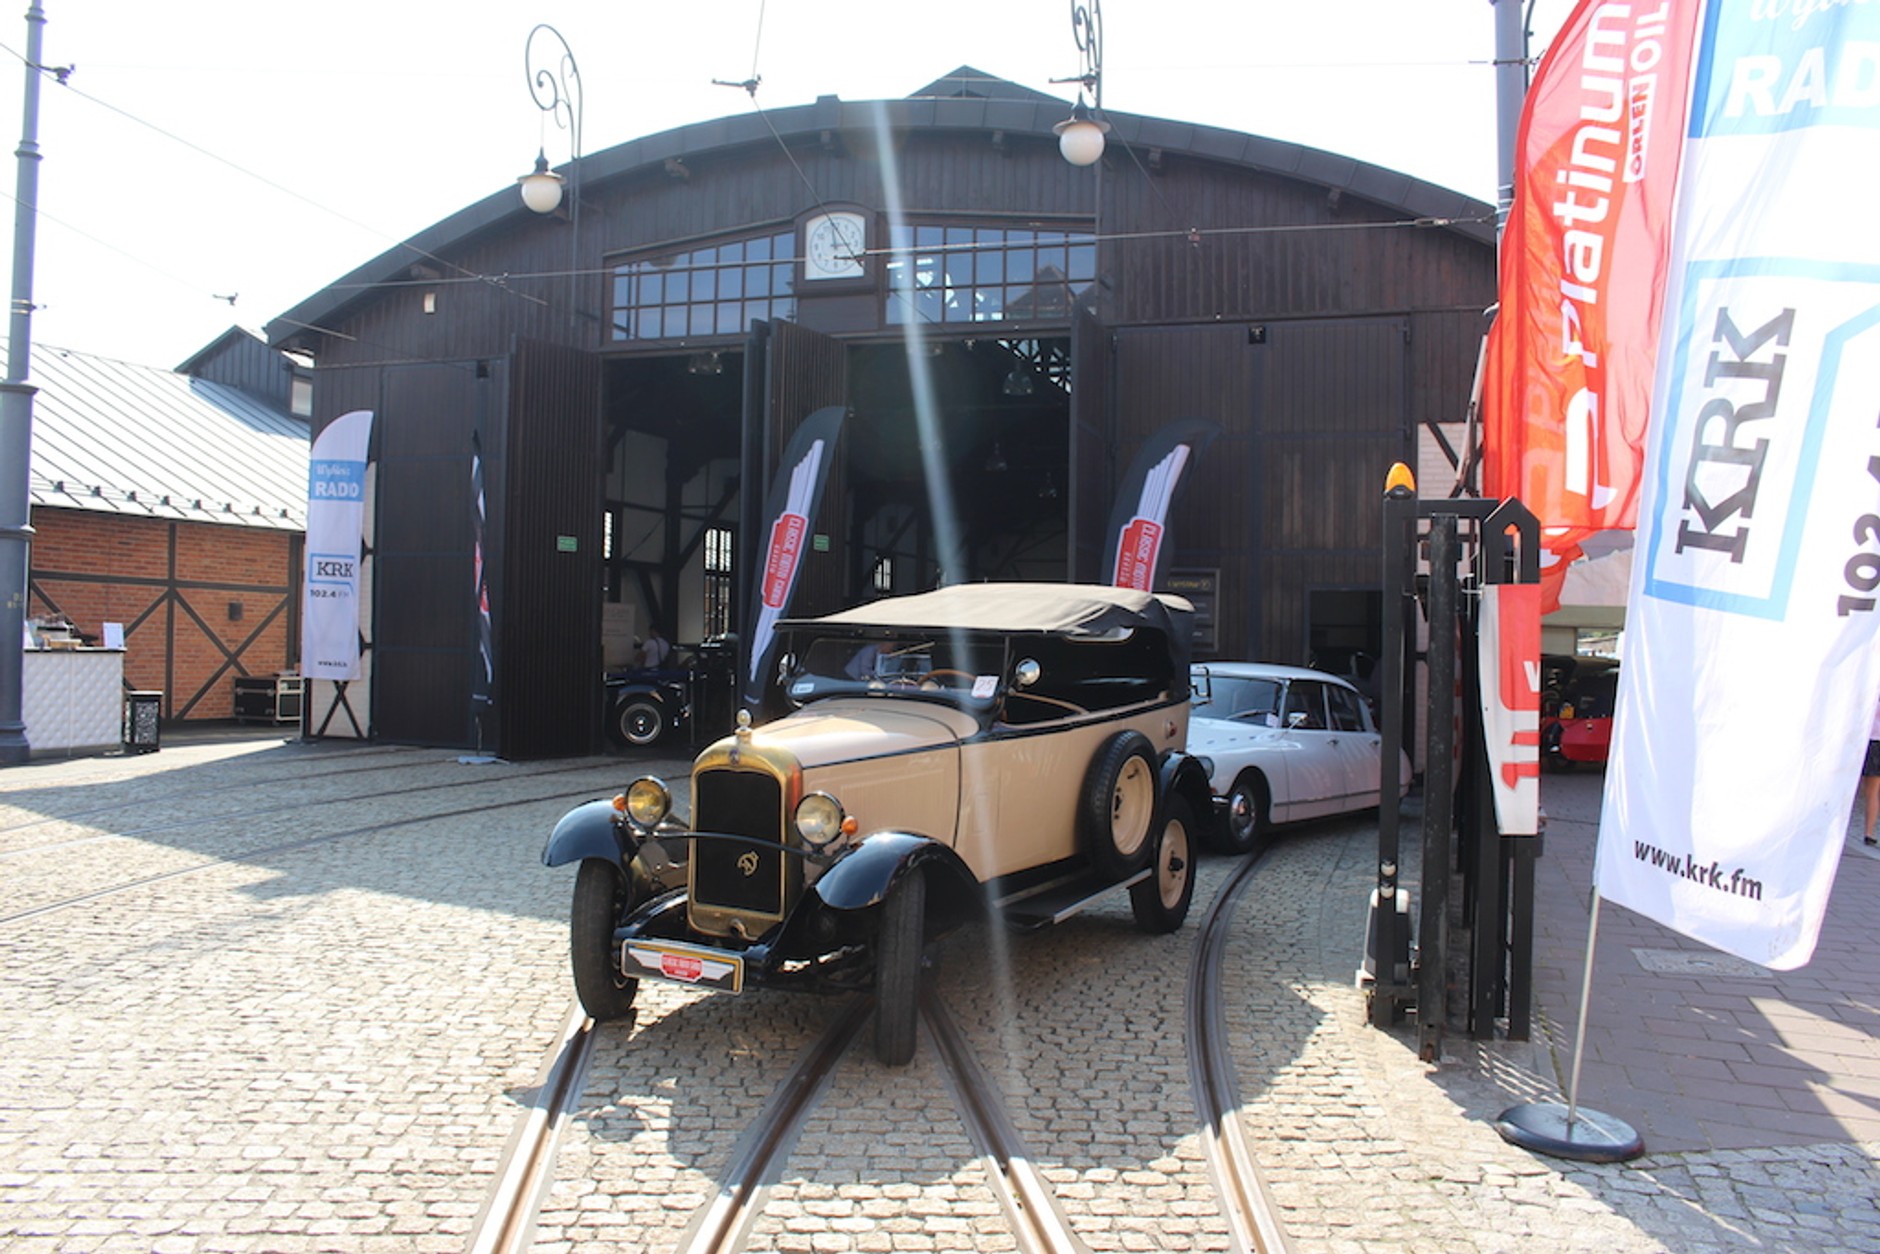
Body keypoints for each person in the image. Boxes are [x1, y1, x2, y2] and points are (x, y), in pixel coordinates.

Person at [1862, 692, 1880, 846]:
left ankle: (1869, 832)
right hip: (1867, 740)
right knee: (1871, 792)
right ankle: (1868, 833)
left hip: (1873, 741)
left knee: (1872, 791)